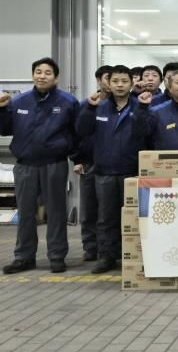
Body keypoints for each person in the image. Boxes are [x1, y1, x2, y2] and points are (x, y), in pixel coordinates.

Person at [0, 58, 80, 274]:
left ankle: (56, 256)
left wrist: (75, 156)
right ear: (33, 75)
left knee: (56, 212)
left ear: (56, 77)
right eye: (38, 72)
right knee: (26, 213)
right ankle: (24, 257)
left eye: (47, 72)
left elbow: (77, 133)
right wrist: (2, 110)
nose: (42, 76)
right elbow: (4, 130)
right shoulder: (19, 101)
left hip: (54, 164)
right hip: (25, 165)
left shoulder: (68, 102)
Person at [76, 65, 143, 273]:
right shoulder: (98, 106)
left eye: (124, 81)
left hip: (132, 173)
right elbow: (81, 131)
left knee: (135, 217)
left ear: (131, 84)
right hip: (104, 172)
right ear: (108, 83)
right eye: (115, 81)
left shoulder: (139, 106)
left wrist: (143, 109)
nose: (120, 85)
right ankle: (106, 256)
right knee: (105, 218)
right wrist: (89, 108)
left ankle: (133, 255)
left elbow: (148, 133)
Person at [71, 65, 114, 263]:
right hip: (89, 163)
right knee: (89, 209)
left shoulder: (121, 105)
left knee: (109, 210)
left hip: (111, 164)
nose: (112, 83)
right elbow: (76, 134)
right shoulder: (86, 104)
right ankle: (90, 247)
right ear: (99, 80)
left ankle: (110, 248)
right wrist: (77, 159)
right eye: (108, 78)